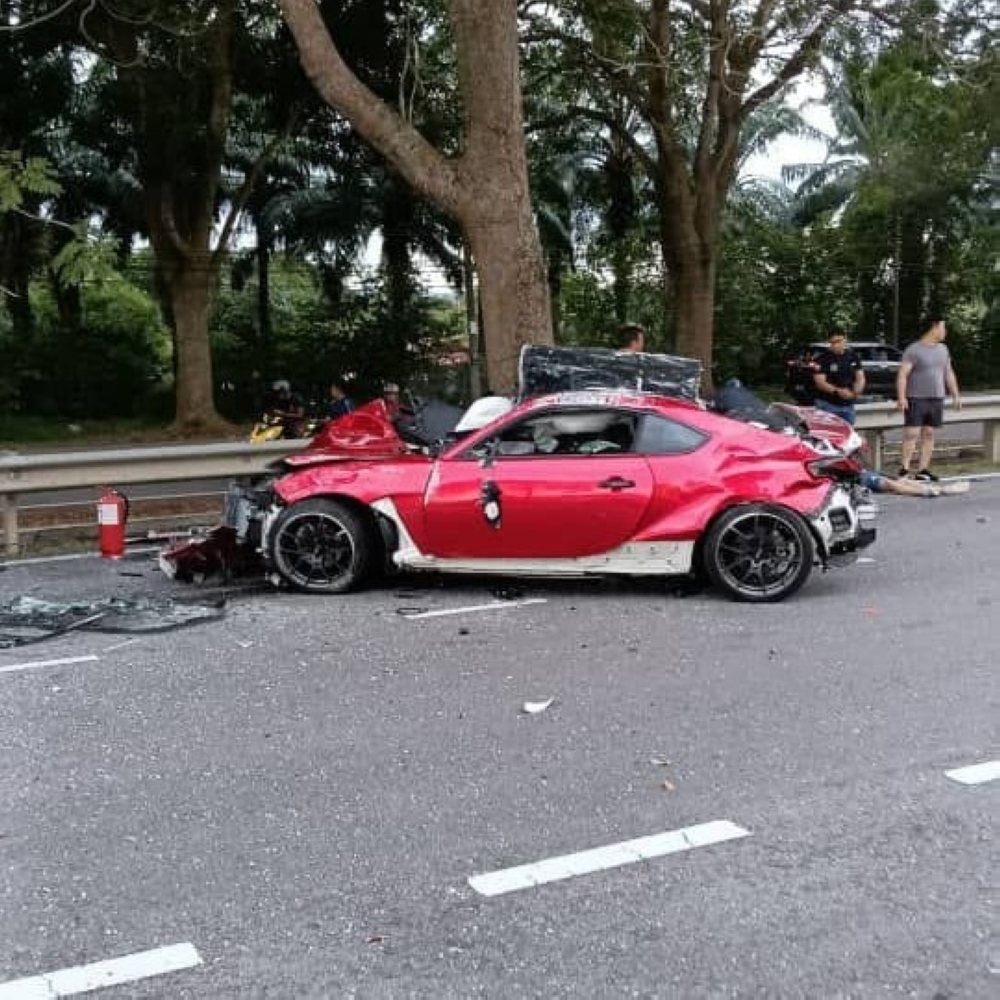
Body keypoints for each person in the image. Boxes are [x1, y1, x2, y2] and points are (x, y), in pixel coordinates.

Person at [896, 315, 961, 481]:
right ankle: (904, 468)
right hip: (916, 397)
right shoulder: (914, 349)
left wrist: (955, 395)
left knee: (930, 433)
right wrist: (901, 397)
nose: (945, 331)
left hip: (936, 397)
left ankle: (923, 469)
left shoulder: (943, 349)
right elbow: (903, 375)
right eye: (943, 327)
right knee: (912, 433)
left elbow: (949, 372)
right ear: (934, 327)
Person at [812, 331, 865, 424]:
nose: (836, 345)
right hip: (827, 404)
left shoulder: (852, 356)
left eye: (838, 341)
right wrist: (838, 391)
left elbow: (860, 376)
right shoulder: (821, 359)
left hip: (848, 405)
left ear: (845, 341)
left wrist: (858, 389)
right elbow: (820, 382)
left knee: (848, 434)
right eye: (833, 342)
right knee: (828, 433)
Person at [860, 468, 970, 498]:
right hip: (856, 478)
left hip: (863, 471)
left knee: (901, 480)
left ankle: (942, 489)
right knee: (889, 483)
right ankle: (925, 491)